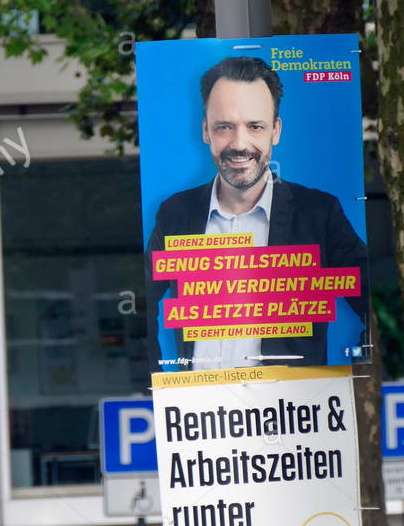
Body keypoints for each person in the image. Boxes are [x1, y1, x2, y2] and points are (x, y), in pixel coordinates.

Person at [145, 55, 368, 372]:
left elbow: (371, 299)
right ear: (206, 130)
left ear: (275, 131)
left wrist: (360, 376)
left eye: (255, 126)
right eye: (224, 127)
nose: (240, 143)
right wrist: (157, 384)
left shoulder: (318, 213)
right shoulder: (176, 214)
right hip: (202, 412)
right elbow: (143, 300)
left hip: (292, 412)